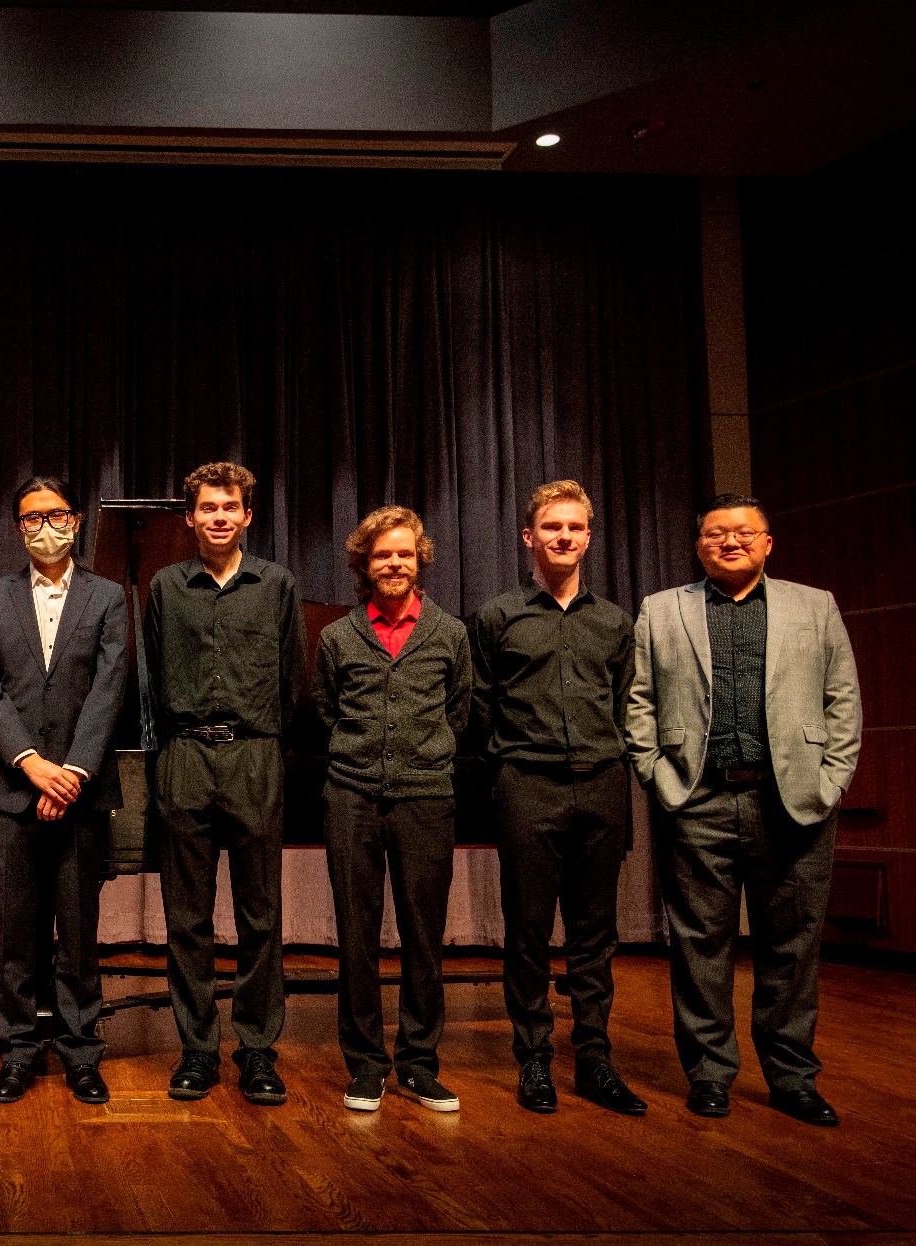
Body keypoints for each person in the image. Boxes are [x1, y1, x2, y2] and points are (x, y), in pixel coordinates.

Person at [625, 493, 860, 1126]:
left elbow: (842, 700)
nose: (730, 542)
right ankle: (708, 1073)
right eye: (715, 534)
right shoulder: (661, 609)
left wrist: (832, 780)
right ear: (698, 545)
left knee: (792, 947)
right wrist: (655, 773)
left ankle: (791, 1077)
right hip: (696, 802)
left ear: (767, 542)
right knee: (701, 945)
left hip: (795, 804)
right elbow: (639, 700)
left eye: (744, 533)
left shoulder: (815, 607)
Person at [469, 481, 645, 1116]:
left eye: (574, 527)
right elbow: (480, 705)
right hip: (528, 785)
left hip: (602, 783)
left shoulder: (614, 621)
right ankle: (534, 1061)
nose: (563, 537)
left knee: (595, 933)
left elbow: (631, 702)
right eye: (551, 528)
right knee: (528, 931)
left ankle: (595, 1059)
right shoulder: (497, 617)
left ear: (589, 537)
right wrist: (508, 765)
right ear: (529, 538)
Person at [143, 461, 304, 1106]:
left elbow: (293, 678)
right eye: (206, 508)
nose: (218, 517)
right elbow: (150, 675)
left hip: (254, 759)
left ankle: (258, 1049)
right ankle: (198, 1049)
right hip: (184, 757)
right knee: (186, 918)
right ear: (190, 518)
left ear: (246, 516)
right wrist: (164, 758)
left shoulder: (278, 585)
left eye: (229, 507)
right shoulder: (165, 587)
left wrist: (267, 747)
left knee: (260, 916)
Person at [0, 477, 128, 1106]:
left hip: (82, 792)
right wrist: (33, 766)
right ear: (18, 528)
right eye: (31, 519)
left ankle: (81, 1049)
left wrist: (72, 774)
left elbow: (110, 689)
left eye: (55, 516)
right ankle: (17, 1049)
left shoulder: (108, 596)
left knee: (80, 928)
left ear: (77, 521)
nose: (44, 527)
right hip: (12, 789)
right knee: (15, 931)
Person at [315, 505, 470, 1114]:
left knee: (423, 935)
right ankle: (365, 1065)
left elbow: (460, 710)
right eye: (382, 555)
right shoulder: (335, 637)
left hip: (427, 795)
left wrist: (424, 754)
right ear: (364, 563)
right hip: (350, 795)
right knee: (355, 934)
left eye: (404, 554)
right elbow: (326, 709)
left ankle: (419, 1064)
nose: (394, 564)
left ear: (420, 559)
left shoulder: (450, 633)